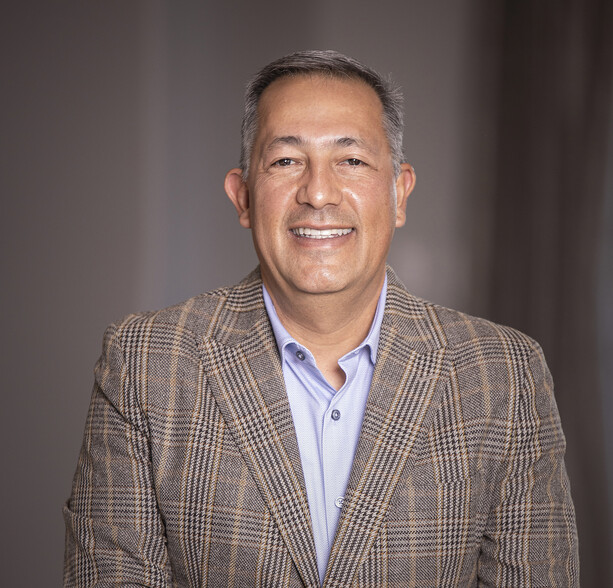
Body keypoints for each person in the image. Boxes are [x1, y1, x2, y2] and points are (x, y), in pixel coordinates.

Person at [64, 50, 579, 587]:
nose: (317, 193)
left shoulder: (503, 375)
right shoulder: (146, 363)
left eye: (351, 160)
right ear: (243, 196)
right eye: (286, 161)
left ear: (399, 193)